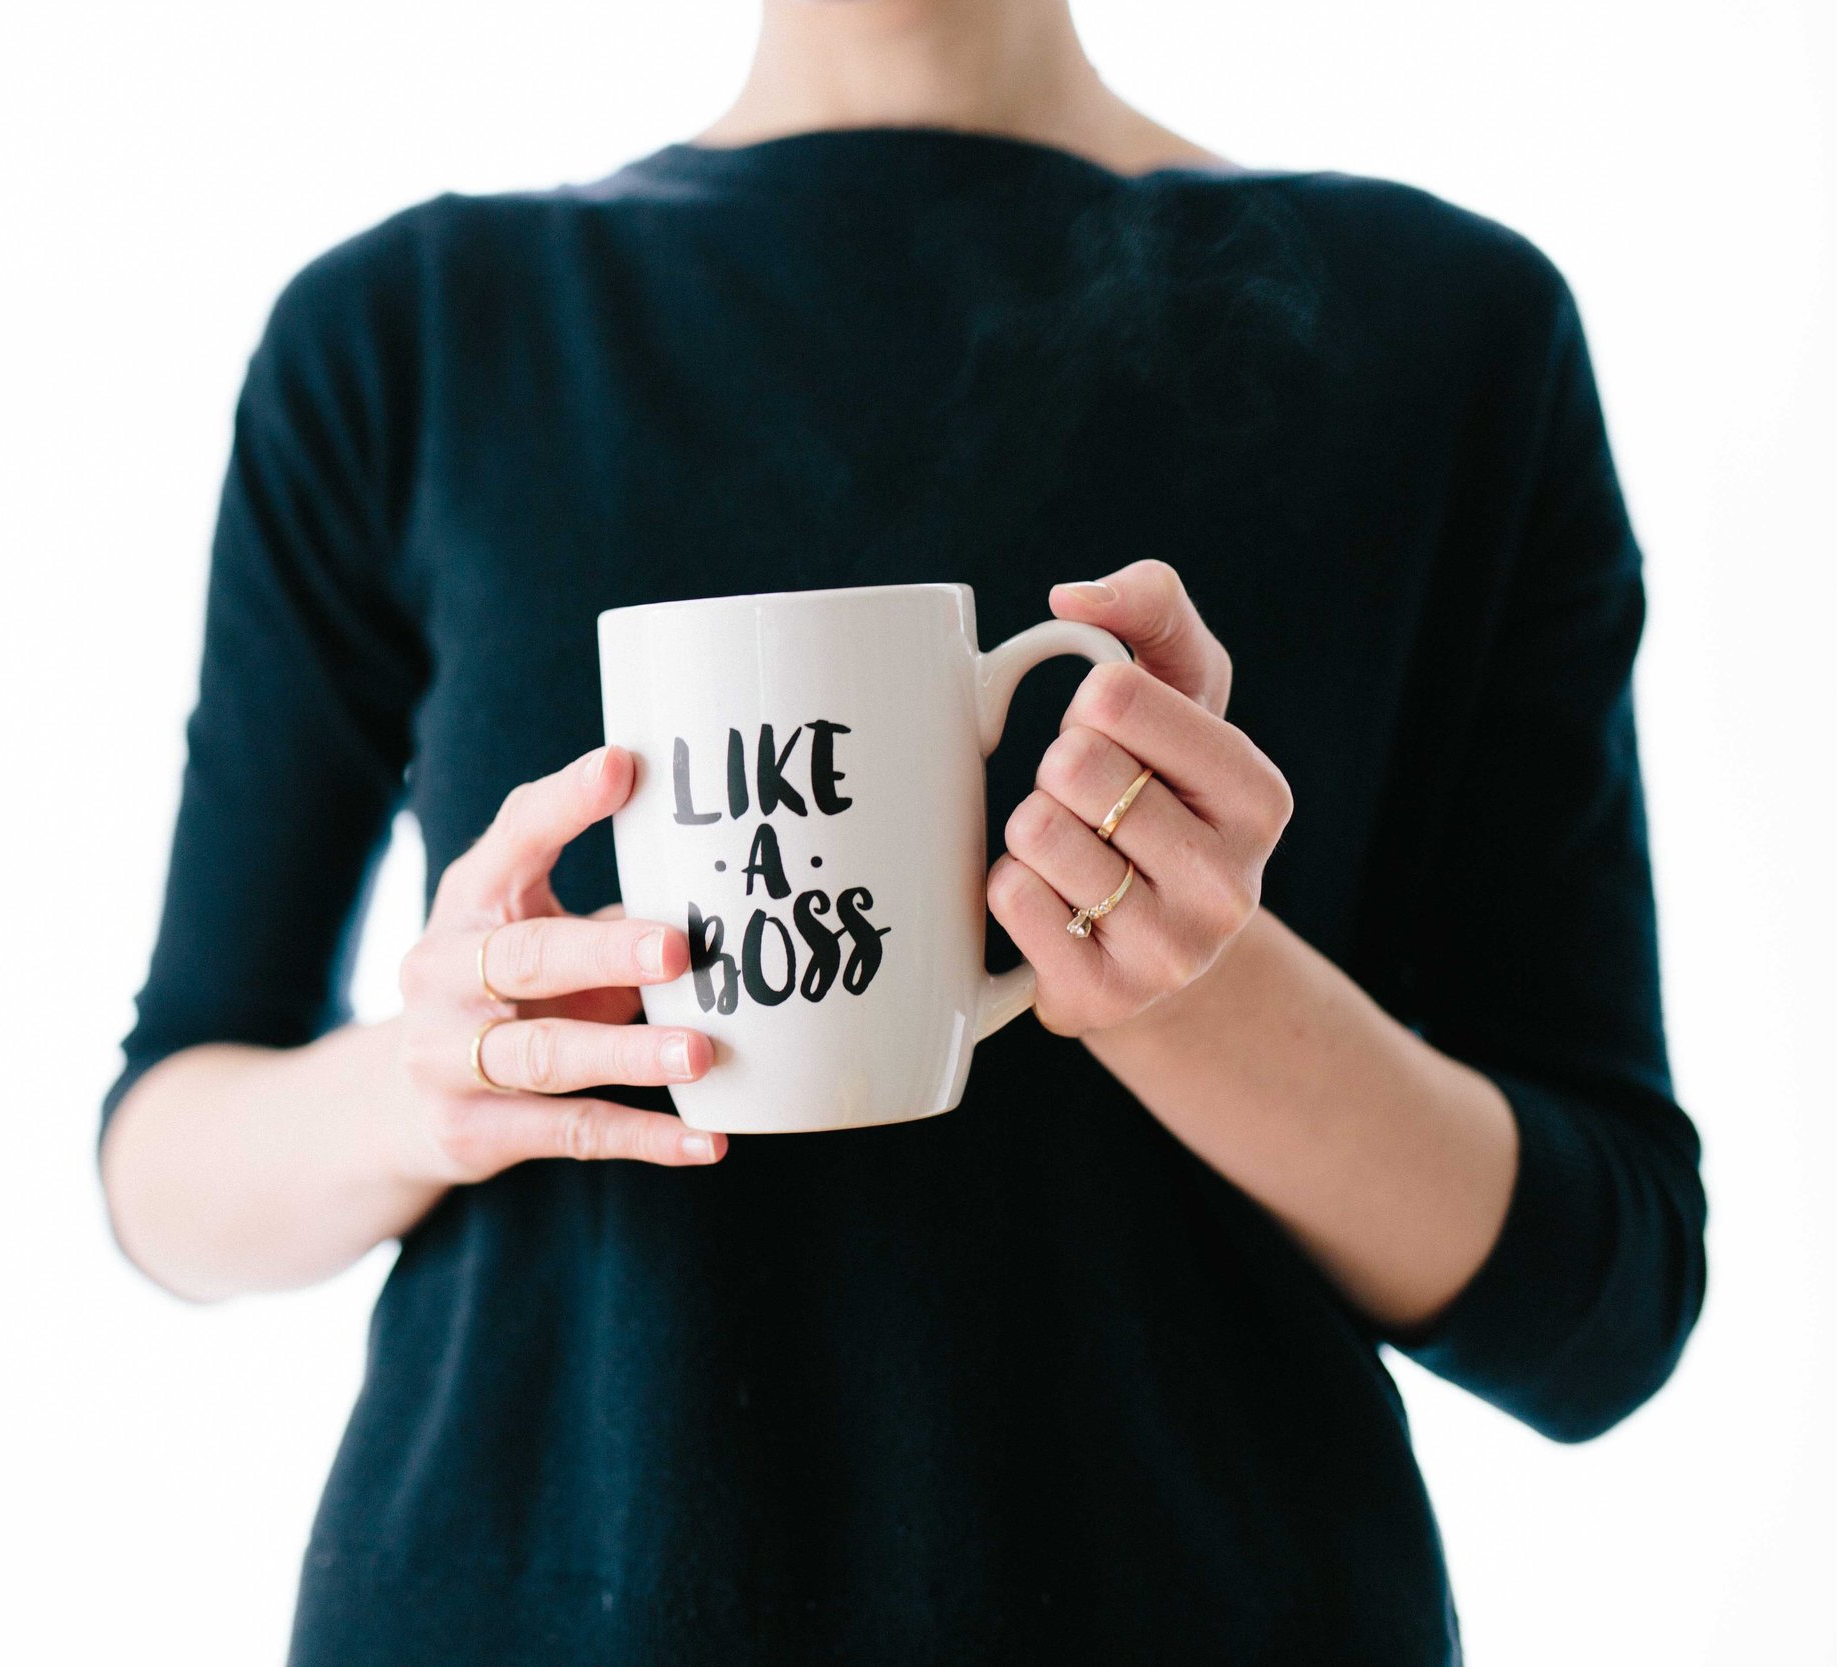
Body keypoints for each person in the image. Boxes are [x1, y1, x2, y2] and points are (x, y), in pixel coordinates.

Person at [97, 0, 1706, 1659]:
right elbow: (164, 1163)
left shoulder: (1446, 335)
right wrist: (428, 1082)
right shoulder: (408, 337)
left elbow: (1605, 1306)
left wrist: (1189, 991)